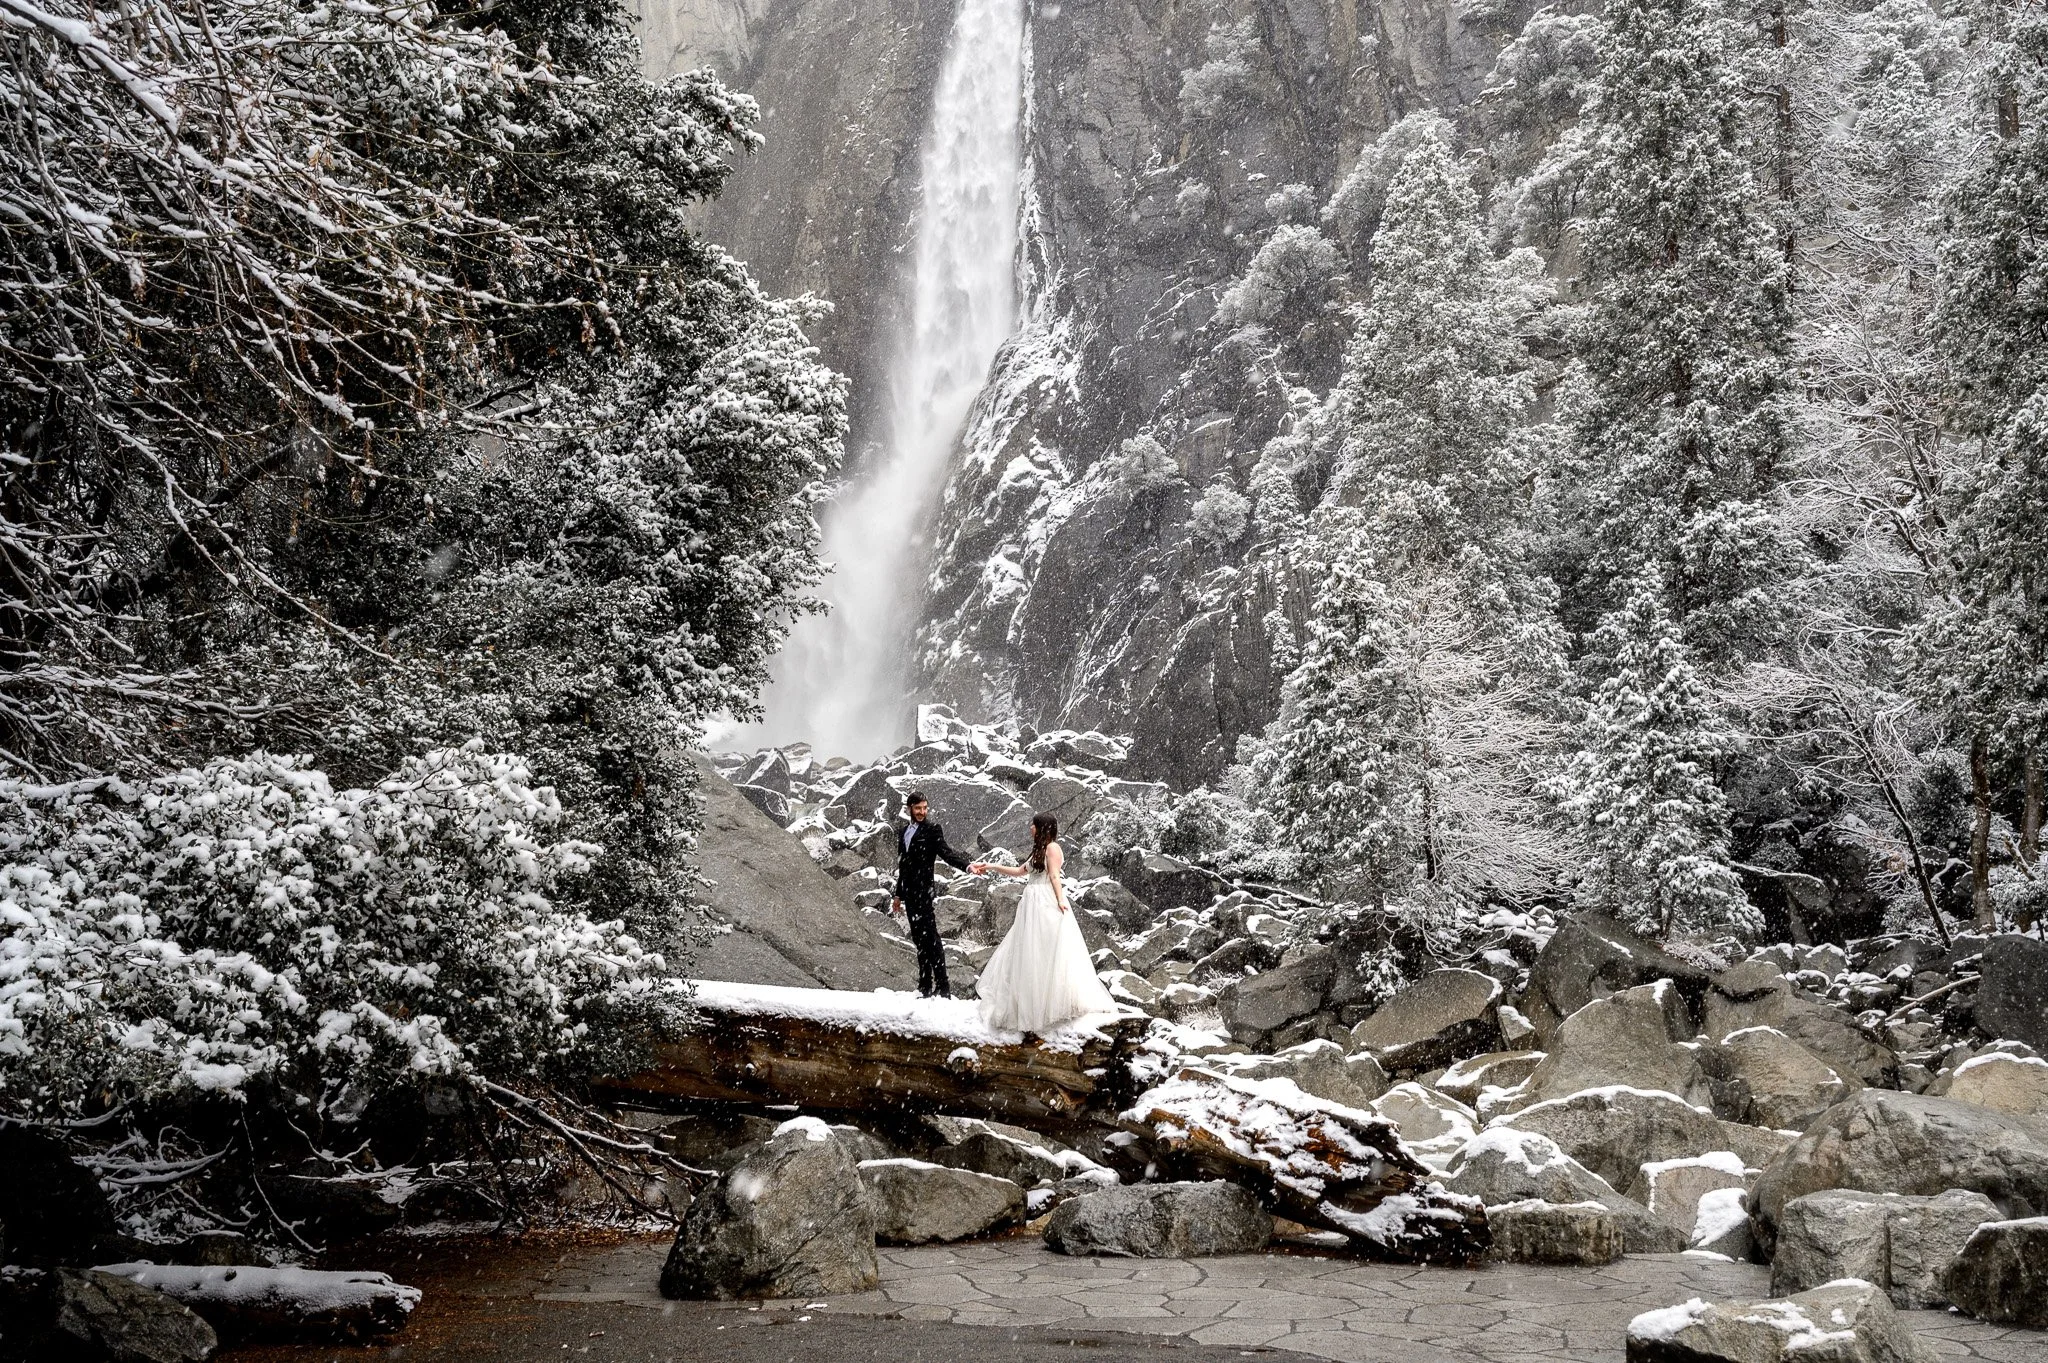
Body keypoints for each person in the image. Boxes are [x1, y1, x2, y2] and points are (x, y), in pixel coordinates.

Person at [970, 813, 1116, 1034]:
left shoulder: (1053, 848)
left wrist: (1059, 899)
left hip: (1045, 901)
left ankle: (1052, 1005)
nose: (1030, 828)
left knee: (1047, 951)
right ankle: (1031, 1004)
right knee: (1030, 952)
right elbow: (1020, 872)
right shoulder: (1040, 849)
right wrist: (990, 866)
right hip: (1032, 903)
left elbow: (1055, 876)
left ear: (1042, 828)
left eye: (1034, 825)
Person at [891, 791, 973, 998]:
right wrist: (898, 895)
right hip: (909, 893)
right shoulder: (903, 832)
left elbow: (947, 853)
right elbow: (903, 865)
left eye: (925, 808)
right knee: (919, 939)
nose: (922, 812)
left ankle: (943, 986)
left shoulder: (932, 829)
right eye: (918, 808)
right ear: (909, 808)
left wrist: (968, 866)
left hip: (924, 892)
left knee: (932, 939)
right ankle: (924, 984)